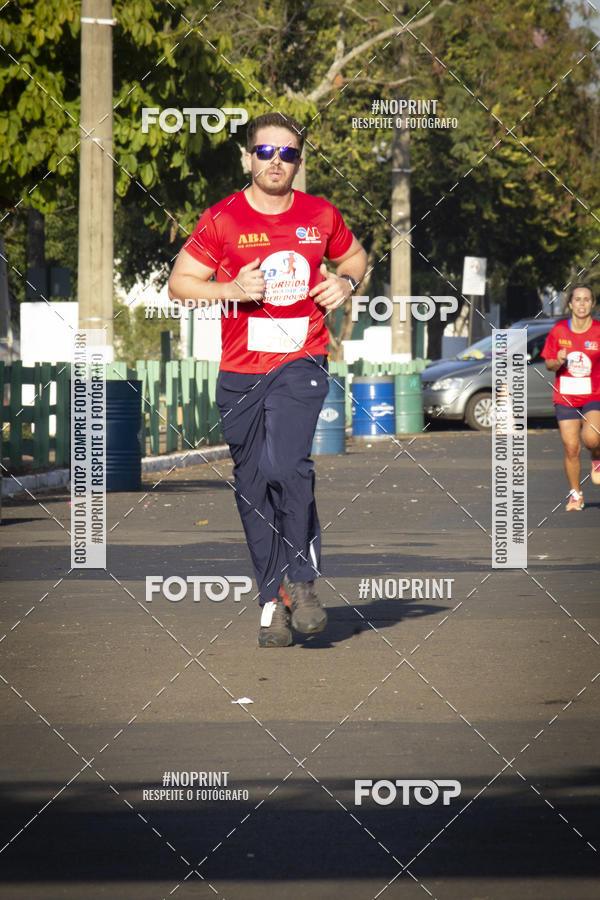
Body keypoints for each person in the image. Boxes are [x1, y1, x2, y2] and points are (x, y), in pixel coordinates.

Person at [168, 112, 367, 645]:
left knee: (286, 463)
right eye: (265, 152)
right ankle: (270, 600)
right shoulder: (224, 219)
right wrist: (231, 289)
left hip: (300, 361)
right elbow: (181, 285)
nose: (276, 162)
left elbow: (354, 256)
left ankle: (302, 583)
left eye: (288, 153)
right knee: (253, 486)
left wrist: (346, 283)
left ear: (299, 161)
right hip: (239, 372)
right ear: (247, 156)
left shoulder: (320, 214)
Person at [541, 283, 600, 510]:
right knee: (571, 447)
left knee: (592, 438)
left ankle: (597, 454)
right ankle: (576, 494)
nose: (582, 304)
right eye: (577, 299)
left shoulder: (597, 331)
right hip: (565, 396)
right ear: (570, 304)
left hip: (593, 394)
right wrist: (558, 360)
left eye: (587, 299)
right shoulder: (559, 331)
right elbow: (548, 364)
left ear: (592, 303)